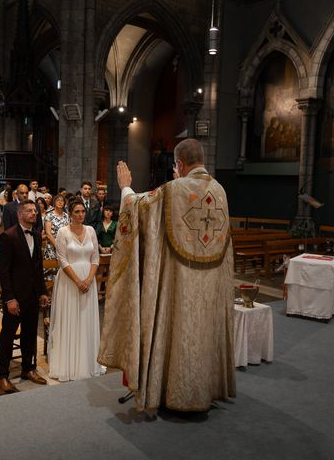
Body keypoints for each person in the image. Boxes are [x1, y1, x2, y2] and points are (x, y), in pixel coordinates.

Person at [98, 138, 236, 412]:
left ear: (180, 164)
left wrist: (125, 186)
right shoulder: (220, 191)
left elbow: (138, 208)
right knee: (201, 332)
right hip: (209, 284)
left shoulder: (173, 190)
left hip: (178, 284)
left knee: (176, 329)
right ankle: (204, 390)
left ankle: (171, 392)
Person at [48, 198, 105, 381]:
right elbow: (62, 260)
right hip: (69, 282)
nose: (80, 215)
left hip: (88, 281)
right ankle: (69, 363)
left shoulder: (90, 231)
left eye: (82, 212)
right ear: (70, 213)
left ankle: (87, 362)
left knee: (85, 319)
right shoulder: (63, 232)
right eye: (76, 212)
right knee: (70, 319)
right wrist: (78, 281)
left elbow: (95, 258)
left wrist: (88, 280)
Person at [0, 200, 49, 393]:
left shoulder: (36, 234)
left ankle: (28, 368)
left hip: (32, 296)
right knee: (7, 336)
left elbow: (38, 268)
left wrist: (42, 291)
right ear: (20, 215)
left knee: (29, 335)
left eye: (35, 211)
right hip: (15, 297)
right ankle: (2, 375)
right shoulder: (8, 236)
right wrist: (9, 298)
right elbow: (4, 271)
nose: (34, 213)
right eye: (29, 211)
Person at [44, 195, 70, 260]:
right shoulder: (49, 215)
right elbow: (48, 233)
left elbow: (69, 231)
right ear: (54, 202)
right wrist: (57, 246)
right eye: (58, 200)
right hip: (52, 246)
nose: (60, 202)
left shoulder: (66, 215)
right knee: (52, 269)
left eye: (62, 200)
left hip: (64, 245)